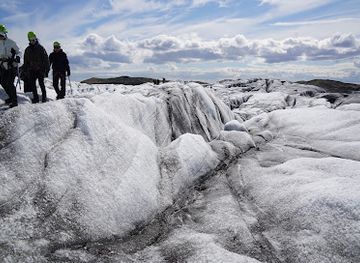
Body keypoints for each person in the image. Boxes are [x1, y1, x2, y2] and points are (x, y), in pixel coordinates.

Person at [22, 31, 50, 103]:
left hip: (40, 69)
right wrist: (25, 70)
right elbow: (25, 61)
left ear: (36, 38)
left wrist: (47, 69)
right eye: (31, 40)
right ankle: (36, 99)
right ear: (29, 40)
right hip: (31, 70)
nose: (32, 41)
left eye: (33, 39)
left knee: (41, 84)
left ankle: (44, 98)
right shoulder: (27, 49)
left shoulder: (41, 48)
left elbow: (46, 59)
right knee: (33, 85)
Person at [0, 24, 20, 108]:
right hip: (3, 65)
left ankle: (14, 101)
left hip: (12, 65)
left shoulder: (11, 42)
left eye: (0, 35)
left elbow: (19, 52)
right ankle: (11, 97)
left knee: (9, 83)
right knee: (3, 82)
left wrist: (17, 57)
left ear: (4, 34)